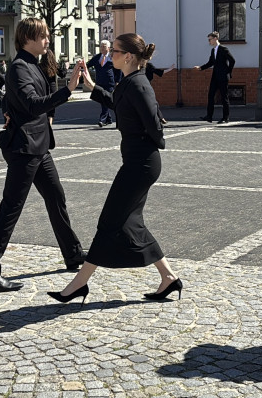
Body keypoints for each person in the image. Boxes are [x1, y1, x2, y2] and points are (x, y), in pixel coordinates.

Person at [49, 34, 181, 305]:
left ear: (129, 56)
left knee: (110, 221)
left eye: (116, 52)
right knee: (131, 222)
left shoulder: (139, 84)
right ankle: (169, 278)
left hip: (141, 164)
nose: (111, 57)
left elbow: (153, 122)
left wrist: (154, 143)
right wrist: (92, 86)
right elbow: (119, 103)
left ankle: (78, 285)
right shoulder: (130, 82)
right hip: (136, 162)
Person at [0, 17, 87, 293]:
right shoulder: (19, 67)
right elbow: (32, 104)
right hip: (25, 148)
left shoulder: (33, 65)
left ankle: (73, 253)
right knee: (11, 207)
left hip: (39, 146)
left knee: (56, 196)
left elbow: (20, 102)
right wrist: (67, 91)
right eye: (43, 36)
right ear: (27, 38)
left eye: (48, 35)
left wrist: (10, 108)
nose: (47, 40)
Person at [194, 31, 235, 123]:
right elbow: (210, 63)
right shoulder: (213, 50)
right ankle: (209, 116)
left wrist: (228, 72)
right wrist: (200, 68)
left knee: (224, 97)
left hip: (223, 77)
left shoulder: (224, 49)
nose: (209, 42)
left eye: (210, 39)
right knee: (211, 95)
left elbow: (232, 60)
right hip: (215, 77)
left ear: (215, 38)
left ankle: (225, 117)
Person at [87, 40, 121, 127]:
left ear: (109, 48)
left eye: (104, 46)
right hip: (99, 82)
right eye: (101, 46)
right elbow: (88, 65)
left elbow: (118, 70)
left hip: (109, 82)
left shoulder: (112, 58)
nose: (102, 48)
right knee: (103, 100)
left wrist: (117, 81)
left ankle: (102, 119)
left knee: (107, 99)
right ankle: (108, 119)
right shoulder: (97, 57)